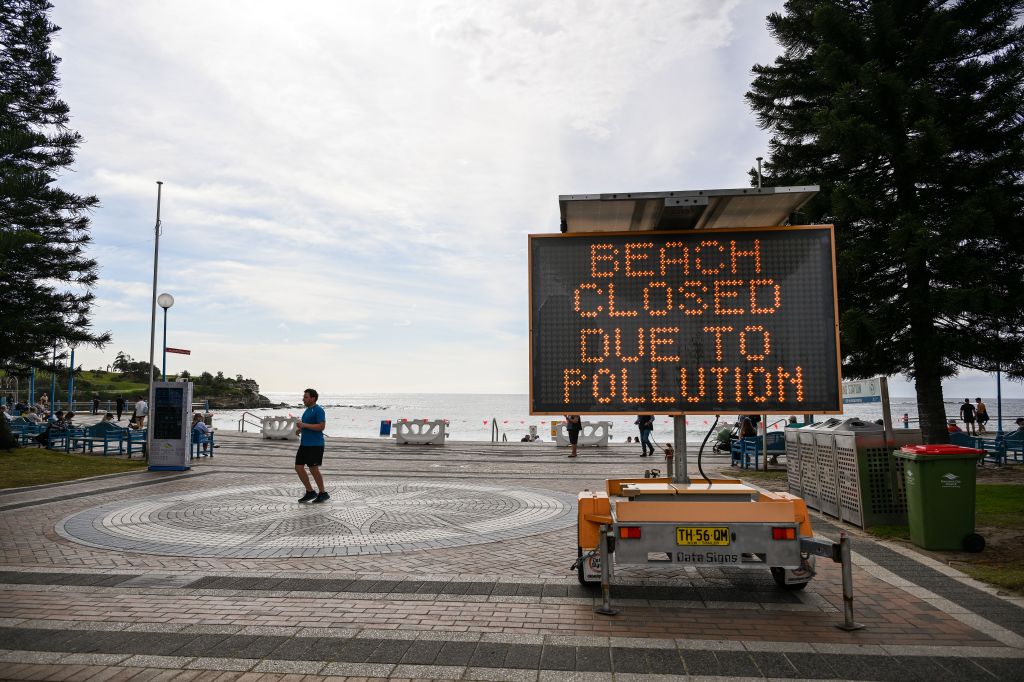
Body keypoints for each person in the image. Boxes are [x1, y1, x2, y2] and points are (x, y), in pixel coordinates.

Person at [294, 388, 329, 503]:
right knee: (298, 467)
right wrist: (300, 430)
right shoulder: (307, 411)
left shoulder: (319, 410)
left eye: (306, 397)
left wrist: (304, 425)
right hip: (304, 444)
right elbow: (307, 426)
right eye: (303, 397)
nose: (303, 399)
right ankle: (310, 492)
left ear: (313, 398)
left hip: (315, 445)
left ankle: (323, 493)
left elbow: (321, 427)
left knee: (313, 469)